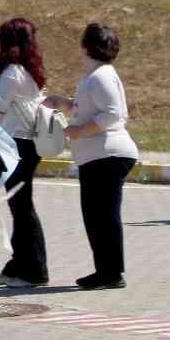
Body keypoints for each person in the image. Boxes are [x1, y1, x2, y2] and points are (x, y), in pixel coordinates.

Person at [45, 22, 139, 290]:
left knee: (102, 215)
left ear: (86, 47)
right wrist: (64, 104)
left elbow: (112, 114)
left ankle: (110, 273)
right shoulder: (98, 74)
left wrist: (79, 131)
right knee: (97, 215)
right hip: (99, 154)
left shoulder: (100, 76)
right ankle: (106, 270)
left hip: (106, 154)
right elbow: (89, 108)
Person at [0, 18, 50, 289]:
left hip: (19, 146)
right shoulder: (28, 71)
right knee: (20, 206)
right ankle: (20, 264)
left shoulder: (13, 72)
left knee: (22, 208)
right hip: (26, 144)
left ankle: (34, 270)